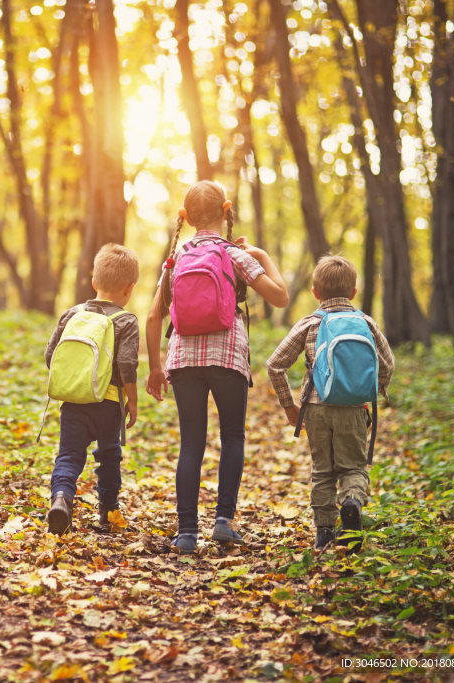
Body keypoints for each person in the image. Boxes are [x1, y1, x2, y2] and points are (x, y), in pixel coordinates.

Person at [145, 180, 289, 555]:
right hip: (227, 354)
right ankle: (224, 520)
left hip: (183, 359)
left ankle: (187, 532)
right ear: (227, 210)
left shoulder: (176, 259)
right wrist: (261, 255)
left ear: (185, 217)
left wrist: (156, 368)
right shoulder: (234, 254)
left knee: (191, 442)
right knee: (233, 437)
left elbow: (152, 316)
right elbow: (280, 297)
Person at [266, 255, 395, 551]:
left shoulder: (309, 323)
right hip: (354, 409)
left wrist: (289, 405)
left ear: (314, 292)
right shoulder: (366, 323)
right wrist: (376, 390)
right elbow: (387, 362)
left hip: (316, 408)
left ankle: (324, 532)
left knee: (323, 470)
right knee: (353, 467)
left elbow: (275, 365)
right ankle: (351, 502)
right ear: (353, 293)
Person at [45, 244, 140, 535]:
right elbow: (126, 365)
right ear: (130, 288)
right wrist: (133, 402)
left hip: (72, 402)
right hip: (108, 403)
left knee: (69, 455)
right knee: (108, 455)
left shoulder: (72, 314)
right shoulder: (126, 320)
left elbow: (51, 355)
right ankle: (107, 512)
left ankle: (61, 498)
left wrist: (75, 380)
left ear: (94, 282)